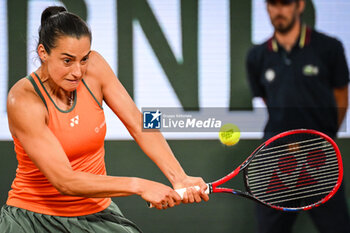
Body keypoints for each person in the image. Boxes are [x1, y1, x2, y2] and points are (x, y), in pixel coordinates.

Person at [0, 6, 209, 233]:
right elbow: (64, 181)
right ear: (43, 52)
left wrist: (179, 177)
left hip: (95, 214)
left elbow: (140, 123)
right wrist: (139, 185)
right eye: (67, 61)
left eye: (84, 59)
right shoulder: (22, 99)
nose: (78, 71)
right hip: (32, 220)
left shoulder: (96, 67)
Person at [246, 0, 350, 232]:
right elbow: (267, 99)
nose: (279, 10)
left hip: (320, 158)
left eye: (285, 3)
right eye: (273, 4)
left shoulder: (329, 48)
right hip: (277, 160)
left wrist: (324, 137)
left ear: (300, 5)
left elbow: (342, 96)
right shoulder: (256, 56)